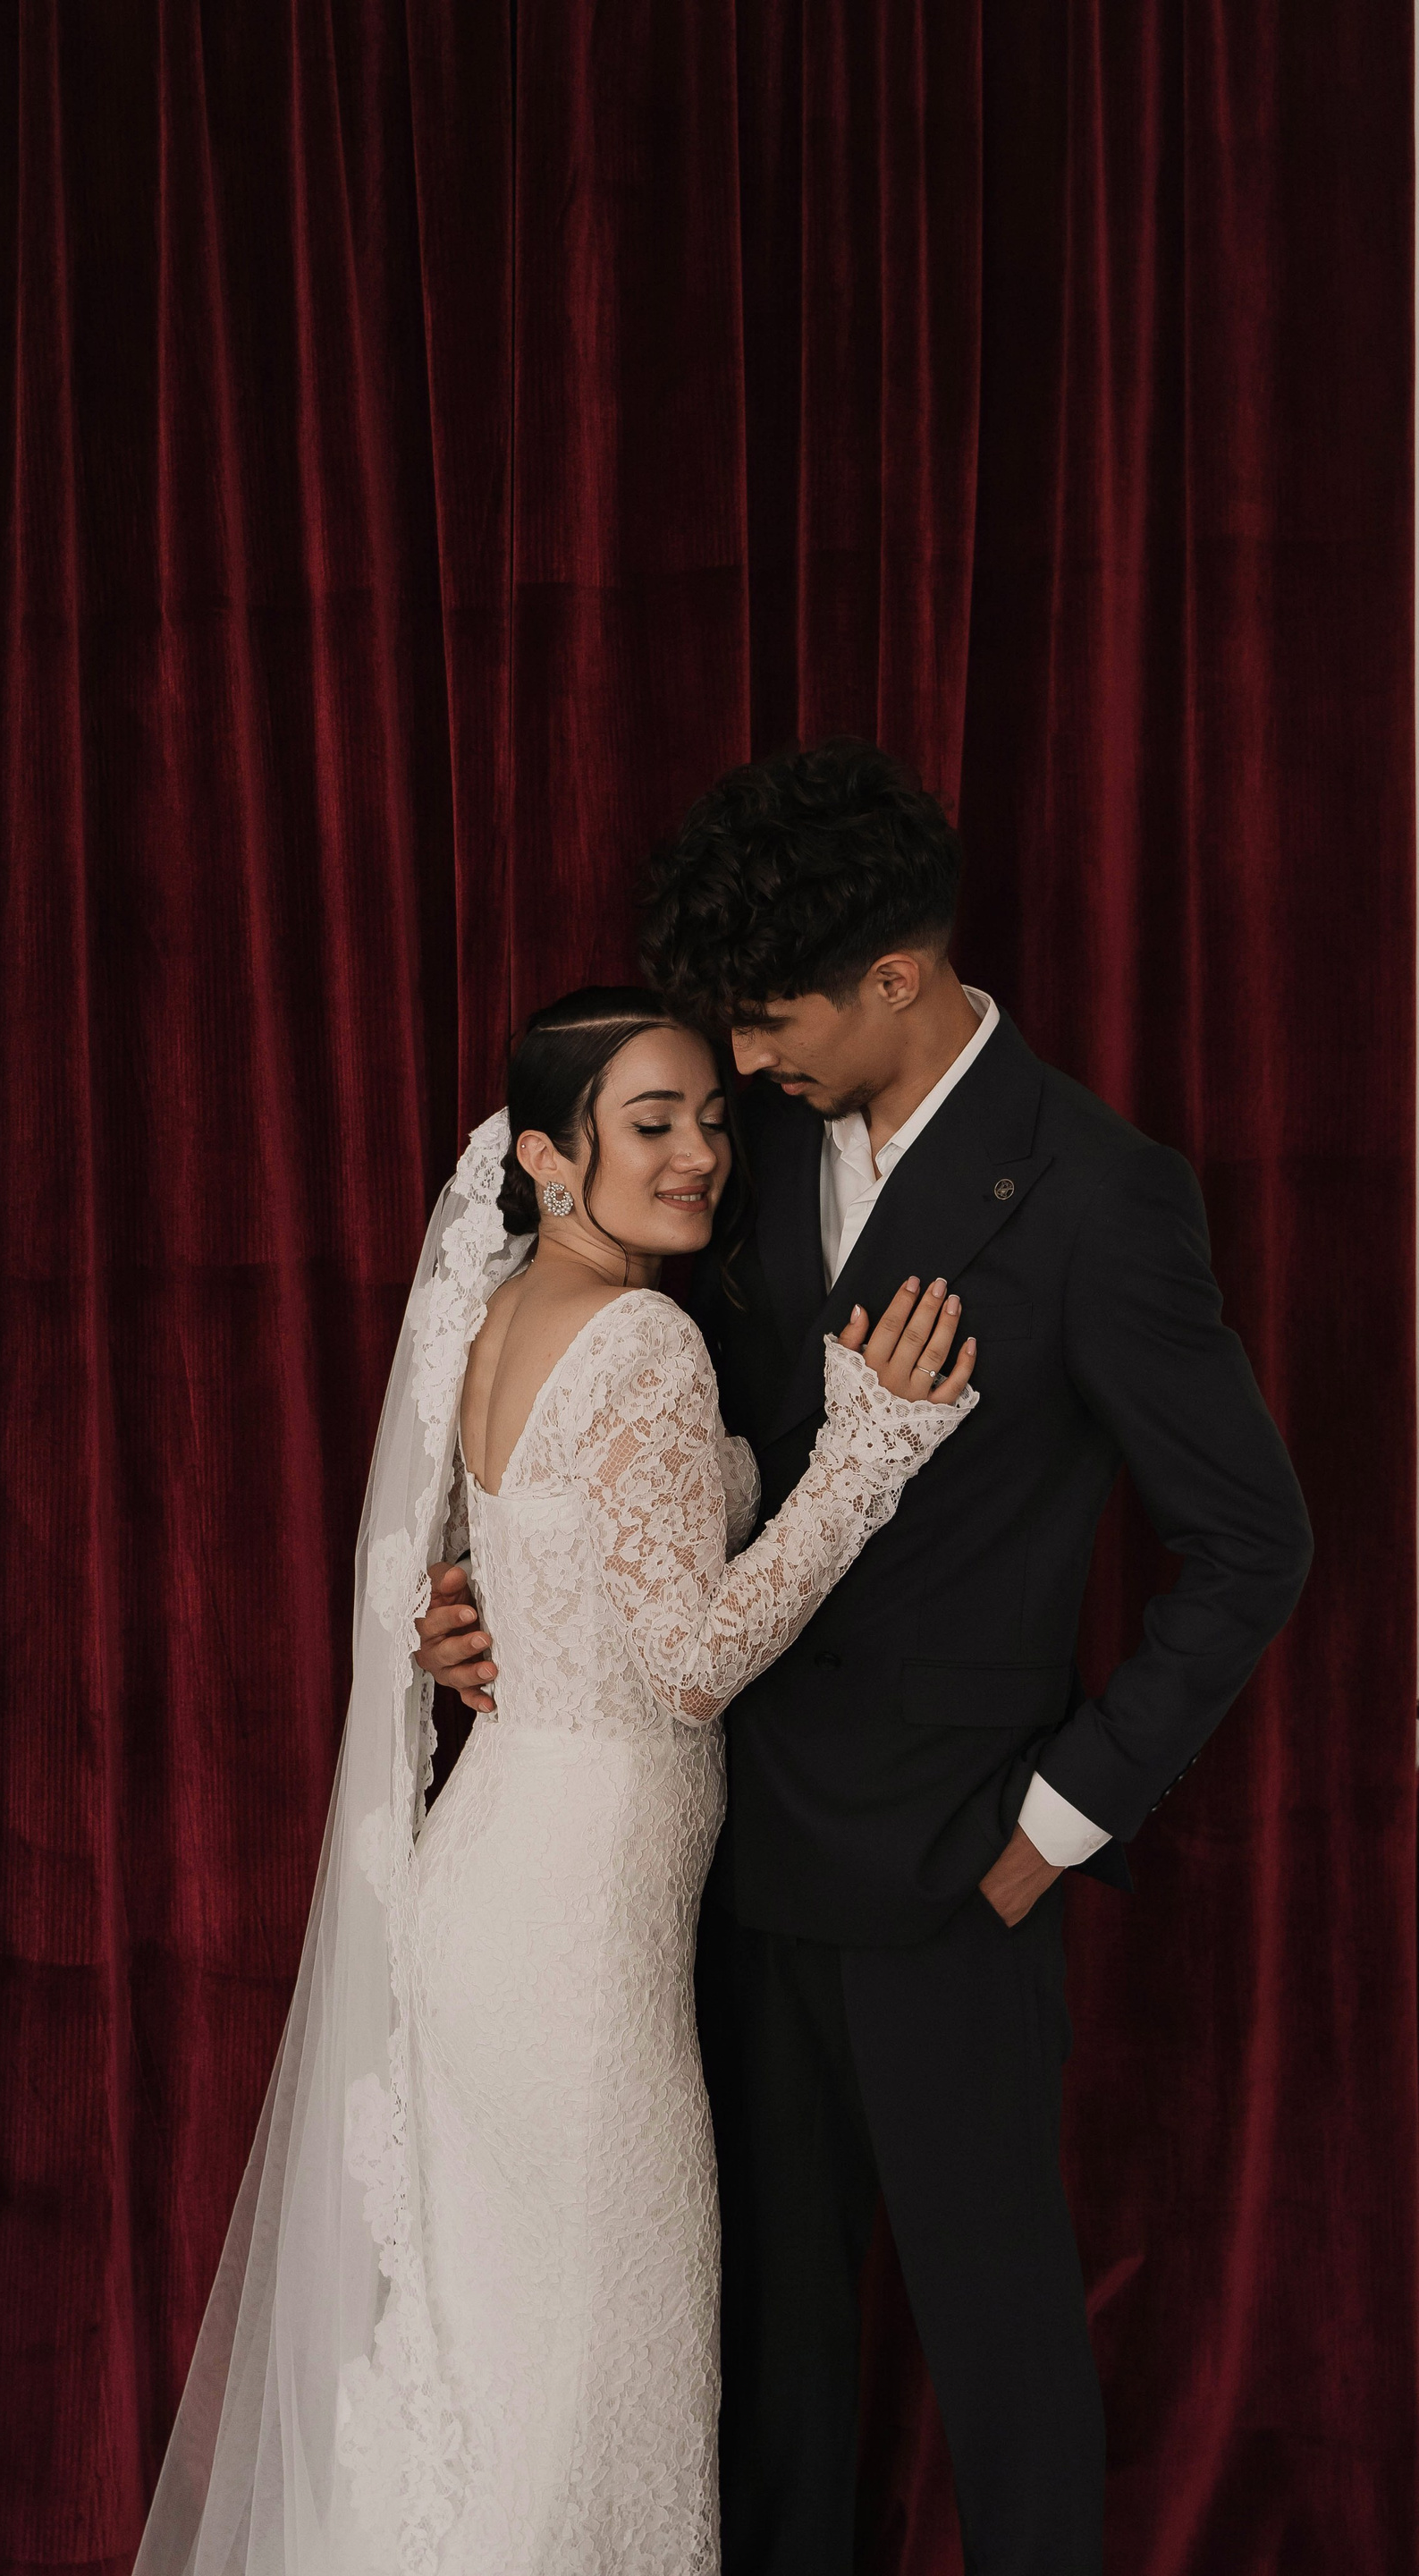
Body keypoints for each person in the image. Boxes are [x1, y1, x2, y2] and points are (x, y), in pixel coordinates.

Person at [421, 739, 1313, 2576]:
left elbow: (1253, 1546)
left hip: (950, 1867)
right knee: (763, 2364)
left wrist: (1055, 1825)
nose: (737, 1071)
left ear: (897, 977)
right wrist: (514, 1608)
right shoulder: (742, 1166)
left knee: (998, 2345)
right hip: (718, 1859)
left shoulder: (1098, 1196)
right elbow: (659, 1479)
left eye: (767, 1026)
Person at [133, 985, 977, 2576]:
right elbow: (694, 1660)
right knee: (604, 2372)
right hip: (574, 1946)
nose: (700, 1154)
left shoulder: (508, 1309)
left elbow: (548, 1569)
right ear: (546, 1156)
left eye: (712, 1120)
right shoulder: (646, 1340)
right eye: (651, 1124)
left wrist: (469, 1623)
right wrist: (867, 1456)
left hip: (494, 1889)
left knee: (507, 2369)